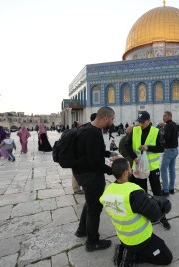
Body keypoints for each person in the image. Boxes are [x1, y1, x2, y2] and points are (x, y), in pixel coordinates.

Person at [100, 158, 173, 266]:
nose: (132, 170)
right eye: (130, 168)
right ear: (125, 173)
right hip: (140, 239)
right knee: (167, 258)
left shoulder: (108, 191)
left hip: (123, 237)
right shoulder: (133, 192)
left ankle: (125, 250)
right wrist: (163, 209)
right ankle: (133, 257)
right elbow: (154, 215)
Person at [72, 107, 118, 252]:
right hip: (90, 175)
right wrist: (113, 171)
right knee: (95, 208)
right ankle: (92, 242)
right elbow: (94, 162)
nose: (112, 122)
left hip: (81, 173)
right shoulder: (94, 134)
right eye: (112, 119)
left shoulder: (87, 128)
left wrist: (109, 153)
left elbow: (93, 152)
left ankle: (82, 230)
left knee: (90, 202)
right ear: (106, 118)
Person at [125, 111, 171, 230]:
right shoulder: (135, 130)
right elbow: (127, 145)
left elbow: (161, 148)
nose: (141, 124)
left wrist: (148, 148)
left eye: (143, 122)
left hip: (152, 167)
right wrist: (134, 157)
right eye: (139, 122)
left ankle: (162, 217)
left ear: (149, 120)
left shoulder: (156, 131)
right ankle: (145, 216)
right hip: (139, 167)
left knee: (157, 192)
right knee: (141, 192)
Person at [160, 111, 179, 197]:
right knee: (172, 170)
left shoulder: (168, 125)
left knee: (163, 169)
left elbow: (166, 137)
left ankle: (165, 190)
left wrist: (160, 132)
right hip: (175, 150)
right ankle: (171, 188)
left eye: (164, 116)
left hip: (169, 150)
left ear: (169, 116)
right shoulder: (174, 124)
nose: (163, 118)